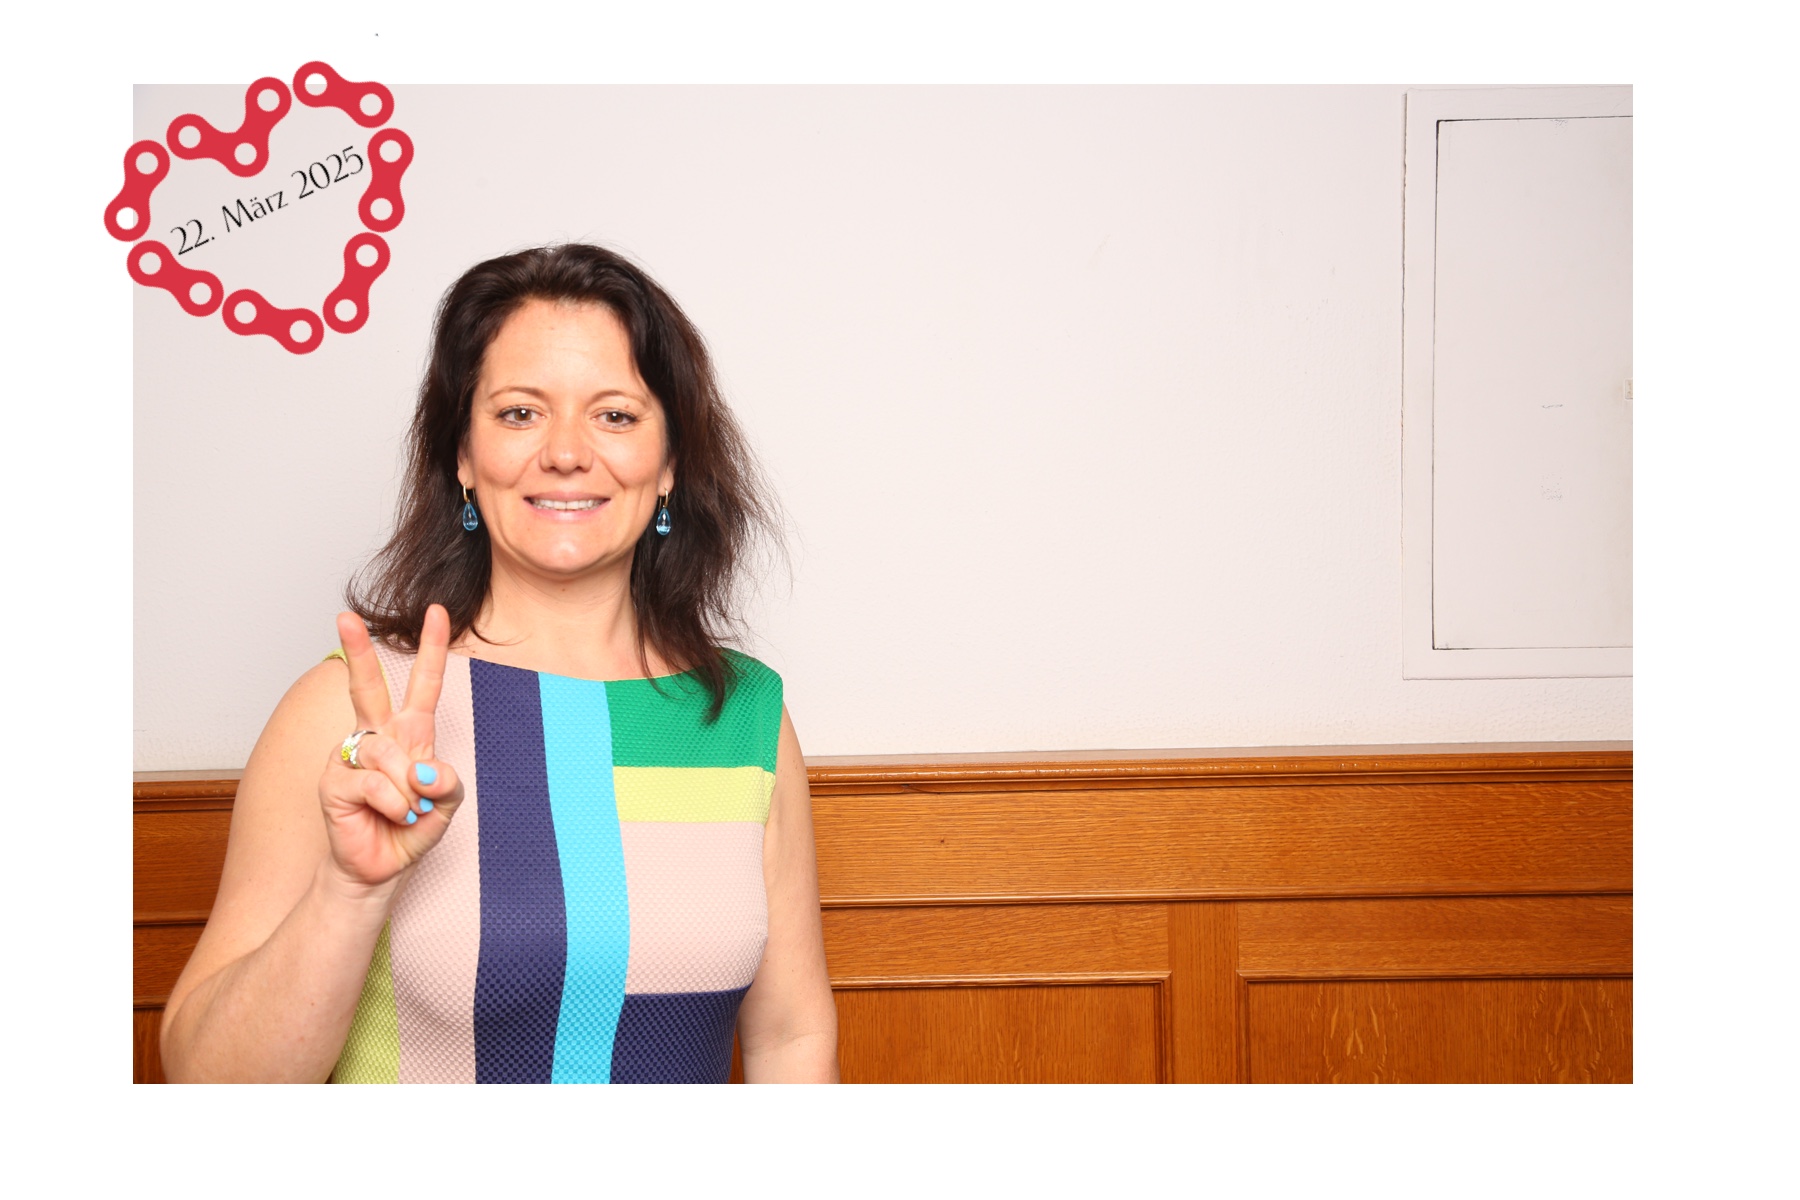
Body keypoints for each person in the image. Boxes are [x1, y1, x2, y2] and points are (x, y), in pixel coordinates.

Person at [159, 244, 839, 1083]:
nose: (566, 453)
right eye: (520, 413)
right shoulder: (347, 713)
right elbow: (208, 1083)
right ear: (461, 454)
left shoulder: (745, 716)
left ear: (669, 463)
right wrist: (349, 890)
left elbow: (790, 1038)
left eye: (615, 416)